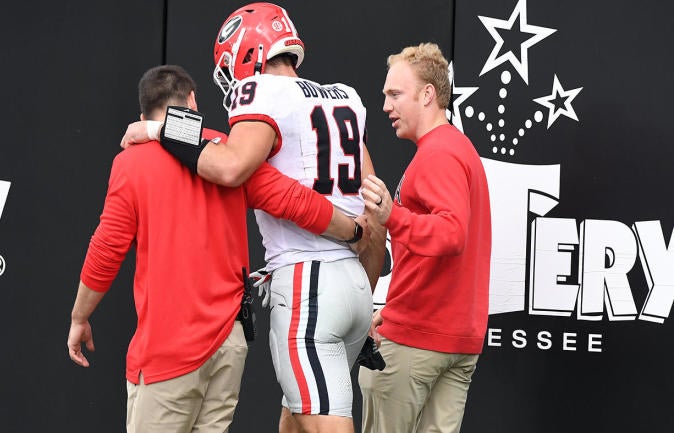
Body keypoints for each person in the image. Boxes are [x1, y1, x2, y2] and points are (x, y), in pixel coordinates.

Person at [121, 4, 385, 433]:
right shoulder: (346, 97)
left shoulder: (260, 91)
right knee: (294, 421)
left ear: (246, 53)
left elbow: (230, 165)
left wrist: (160, 128)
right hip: (353, 283)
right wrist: (363, 291)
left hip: (307, 285)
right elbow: (375, 214)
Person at [66, 64, 366, 433]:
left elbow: (106, 250)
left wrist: (80, 317)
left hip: (167, 348)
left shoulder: (132, 163)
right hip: (229, 343)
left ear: (143, 114)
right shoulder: (227, 150)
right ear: (192, 101)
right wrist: (353, 230)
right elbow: (295, 201)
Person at [356, 43, 492, 433]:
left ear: (428, 94)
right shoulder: (457, 149)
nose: (385, 106)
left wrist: (391, 215)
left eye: (395, 94)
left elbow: (452, 234)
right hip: (454, 338)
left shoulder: (439, 153)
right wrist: (394, 308)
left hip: (419, 340)